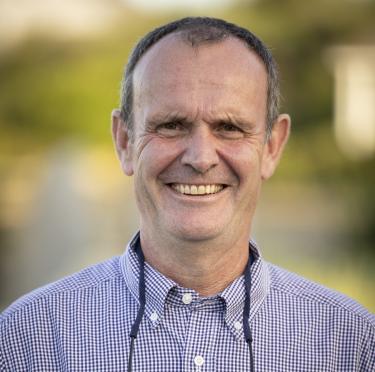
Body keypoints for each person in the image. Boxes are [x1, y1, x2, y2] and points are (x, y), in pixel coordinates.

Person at [0, 17, 374, 372]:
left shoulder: (350, 343)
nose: (200, 158)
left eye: (229, 127)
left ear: (272, 146)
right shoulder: (30, 339)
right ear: (125, 141)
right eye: (171, 125)